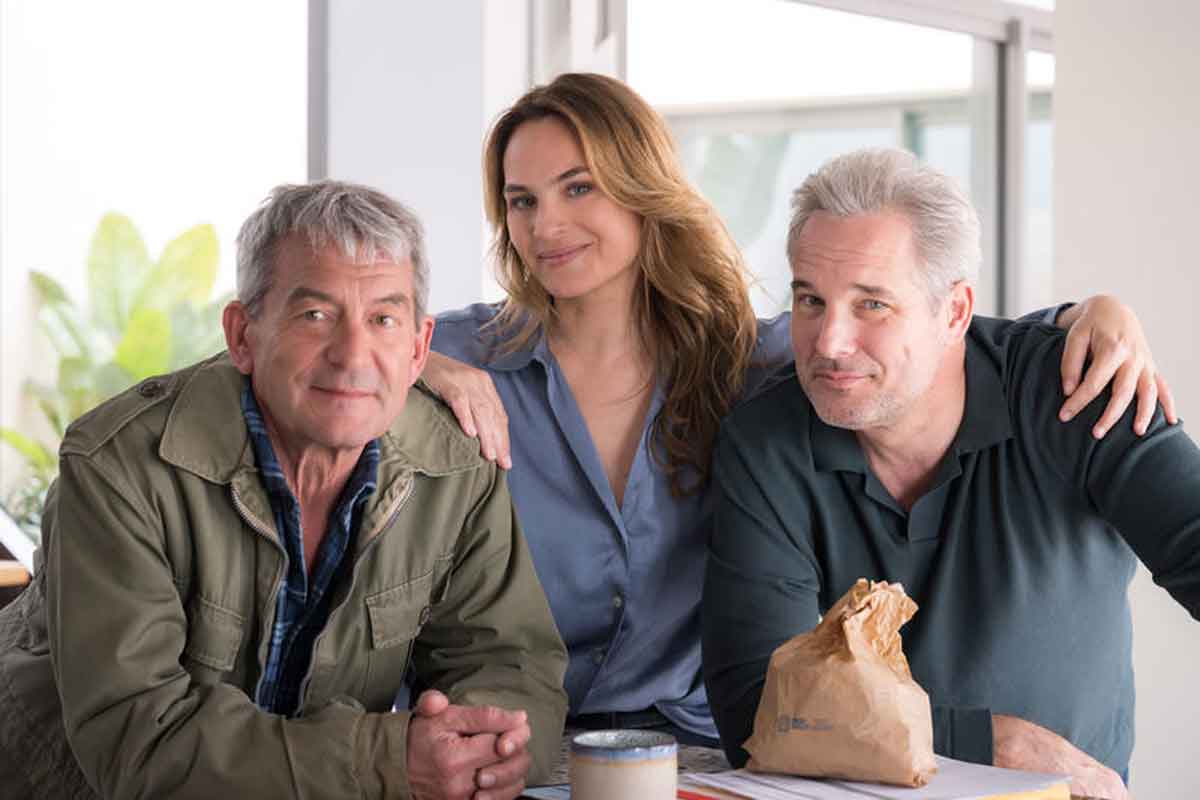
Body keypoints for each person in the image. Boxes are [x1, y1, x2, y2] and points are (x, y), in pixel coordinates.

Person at [421, 72, 1174, 748]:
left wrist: (1094, 313)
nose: (545, 226)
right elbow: (341, 346)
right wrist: (421, 363)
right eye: (522, 201)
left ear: (639, 186)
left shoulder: (750, 359)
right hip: (510, 744)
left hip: (692, 746)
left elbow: (928, 332)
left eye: (577, 187)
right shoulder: (464, 352)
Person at [0, 181, 567, 800]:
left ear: (418, 348)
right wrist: (384, 760)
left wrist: (491, 749)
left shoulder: (456, 466)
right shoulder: (121, 469)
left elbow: (513, 666)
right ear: (243, 335)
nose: (353, 354)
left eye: (383, 318)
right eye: (315, 315)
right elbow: (141, 743)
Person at [701, 148, 1200, 799]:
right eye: (810, 300)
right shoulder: (764, 442)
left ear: (956, 312)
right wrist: (991, 742)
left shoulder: (1079, 390)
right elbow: (757, 707)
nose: (828, 342)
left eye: (872, 304)